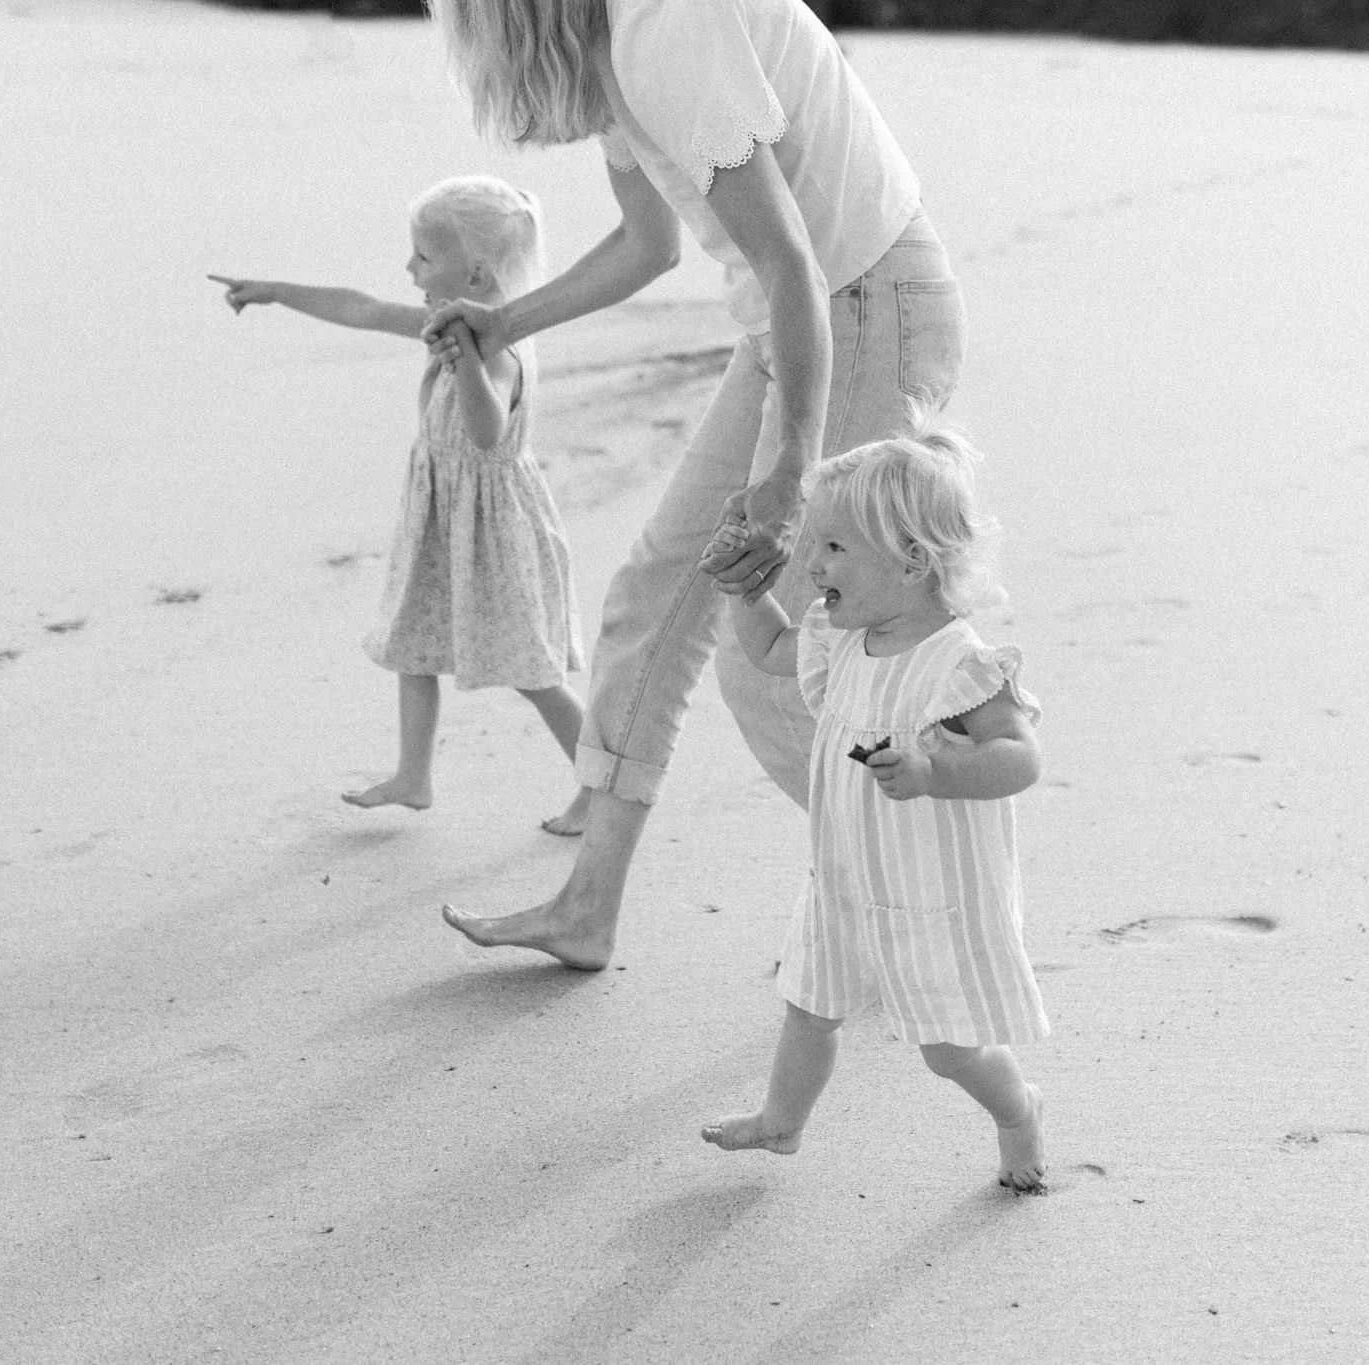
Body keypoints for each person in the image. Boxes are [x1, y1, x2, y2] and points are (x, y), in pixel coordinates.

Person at [425, 0, 967, 970]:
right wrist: (507, 323)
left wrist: (786, 478)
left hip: (862, 312)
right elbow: (649, 245)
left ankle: (917, 895)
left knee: (765, 660)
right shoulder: (615, 42)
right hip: (799, 322)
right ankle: (586, 910)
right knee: (652, 598)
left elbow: (792, 260)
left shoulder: (663, 24)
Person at [696, 430, 1050, 1192]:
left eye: (832, 547)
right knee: (808, 1004)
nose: (813, 564)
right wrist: (744, 594)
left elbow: (1020, 756)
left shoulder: (958, 660)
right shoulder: (842, 637)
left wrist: (933, 772)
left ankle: (1018, 1110)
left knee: (947, 1048)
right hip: (845, 874)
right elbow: (768, 653)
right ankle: (781, 1121)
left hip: (929, 891)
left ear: (912, 560)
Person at [210, 175, 591, 835]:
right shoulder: (449, 321)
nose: (408, 268)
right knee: (413, 642)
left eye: (422, 257)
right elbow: (363, 308)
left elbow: (488, 430)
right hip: (444, 521)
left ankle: (602, 787)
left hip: (495, 531)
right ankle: (413, 775)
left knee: (530, 668)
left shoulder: (497, 345)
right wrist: (276, 291)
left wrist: (466, 359)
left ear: (472, 274)